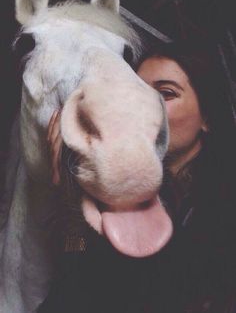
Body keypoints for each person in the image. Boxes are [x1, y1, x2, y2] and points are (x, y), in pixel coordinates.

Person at [42, 38, 236, 313]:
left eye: (166, 94)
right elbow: (74, 258)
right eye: (137, 94)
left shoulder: (222, 207)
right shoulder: (116, 192)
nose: (142, 107)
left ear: (207, 119)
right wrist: (69, 197)